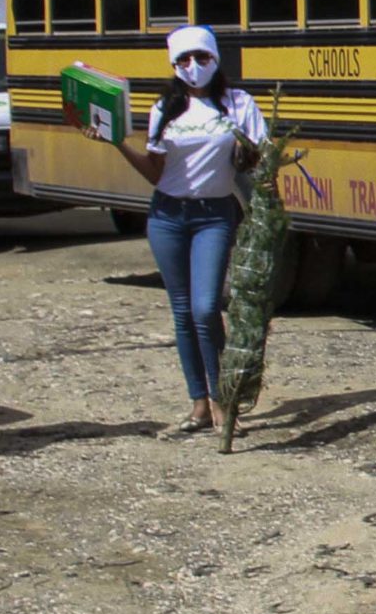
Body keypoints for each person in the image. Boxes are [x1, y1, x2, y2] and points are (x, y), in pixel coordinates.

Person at [85, 26, 266, 434]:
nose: (193, 67)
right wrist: (116, 143)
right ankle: (198, 404)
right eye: (183, 60)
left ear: (216, 59)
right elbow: (154, 171)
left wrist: (247, 154)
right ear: (174, 66)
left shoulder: (238, 104)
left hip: (215, 214)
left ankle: (223, 401)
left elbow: (255, 158)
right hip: (167, 215)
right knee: (183, 311)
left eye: (201, 58)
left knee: (206, 308)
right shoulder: (165, 107)